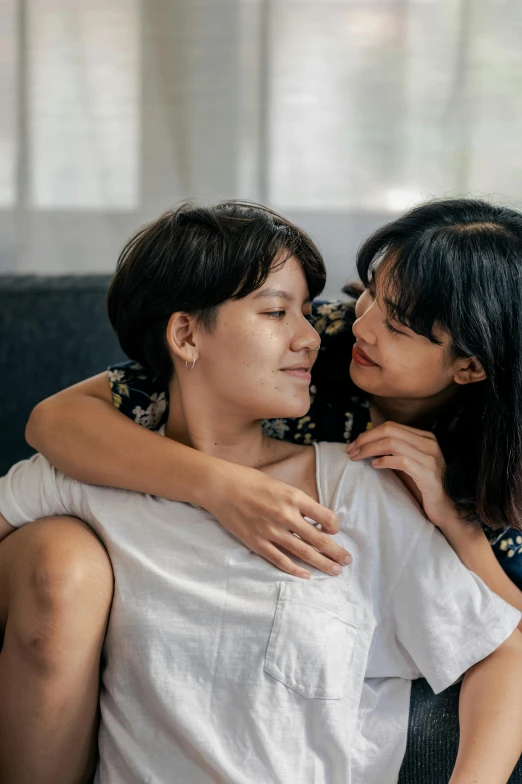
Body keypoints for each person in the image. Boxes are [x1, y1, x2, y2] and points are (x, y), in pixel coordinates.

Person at [1, 201, 522, 784]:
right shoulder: (319, 338)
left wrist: (457, 524)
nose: (358, 326)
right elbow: (58, 418)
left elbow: (505, 640)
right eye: (371, 294)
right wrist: (223, 487)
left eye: (396, 325)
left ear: (470, 367)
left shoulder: (428, 479)